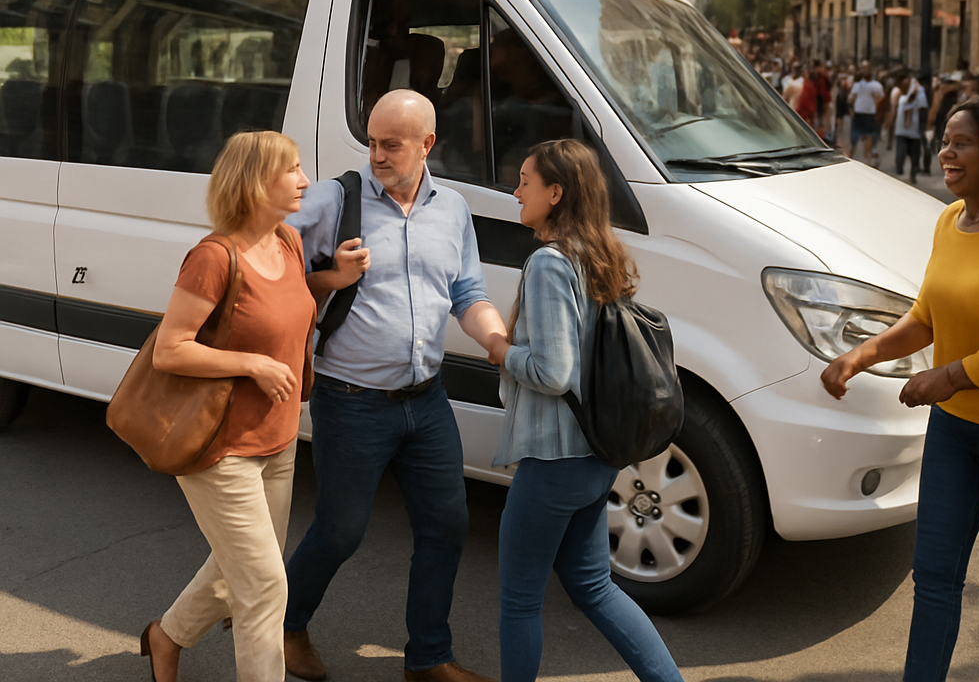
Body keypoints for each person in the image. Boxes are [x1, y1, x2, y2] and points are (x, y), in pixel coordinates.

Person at [282, 89, 507, 682]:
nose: (376, 154)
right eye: (372, 142)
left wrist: (498, 344)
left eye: (391, 145)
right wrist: (331, 275)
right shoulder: (334, 200)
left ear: (427, 145)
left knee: (447, 525)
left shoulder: (453, 209)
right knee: (340, 531)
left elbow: (467, 293)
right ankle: (283, 625)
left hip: (427, 400)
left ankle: (428, 657)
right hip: (351, 400)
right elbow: (269, 276)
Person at [821, 95, 979, 682]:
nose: (945, 152)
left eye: (962, 143)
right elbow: (927, 316)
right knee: (934, 581)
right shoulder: (948, 221)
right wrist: (860, 355)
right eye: (944, 140)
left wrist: (950, 375)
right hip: (955, 433)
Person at [482, 139, 682, 682]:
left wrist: (501, 349)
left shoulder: (549, 263)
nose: (516, 190)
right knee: (593, 586)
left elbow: (554, 372)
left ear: (556, 192)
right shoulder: (599, 254)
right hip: (596, 454)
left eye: (525, 180)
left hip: (554, 459)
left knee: (520, 600)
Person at [141, 131, 317, 682]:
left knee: (234, 569)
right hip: (220, 448)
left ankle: (165, 636)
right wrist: (252, 364)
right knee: (265, 586)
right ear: (256, 182)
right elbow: (171, 349)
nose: (304, 180)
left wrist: (335, 280)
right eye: (291, 170)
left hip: (279, 438)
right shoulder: (213, 258)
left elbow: (289, 305)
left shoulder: (287, 241)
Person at [847, 68, 885, 166]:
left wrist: (851, 106)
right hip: (869, 113)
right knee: (867, 135)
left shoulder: (857, 85)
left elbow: (851, 99)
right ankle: (866, 158)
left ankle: (850, 155)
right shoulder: (877, 86)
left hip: (859, 111)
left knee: (856, 134)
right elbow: (882, 98)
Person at [894, 76, 928, 183]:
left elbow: (923, 110)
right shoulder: (902, 98)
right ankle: (899, 172)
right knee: (900, 154)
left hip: (914, 132)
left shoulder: (920, 97)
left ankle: (913, 174)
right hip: (901, 131)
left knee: (915, 156)